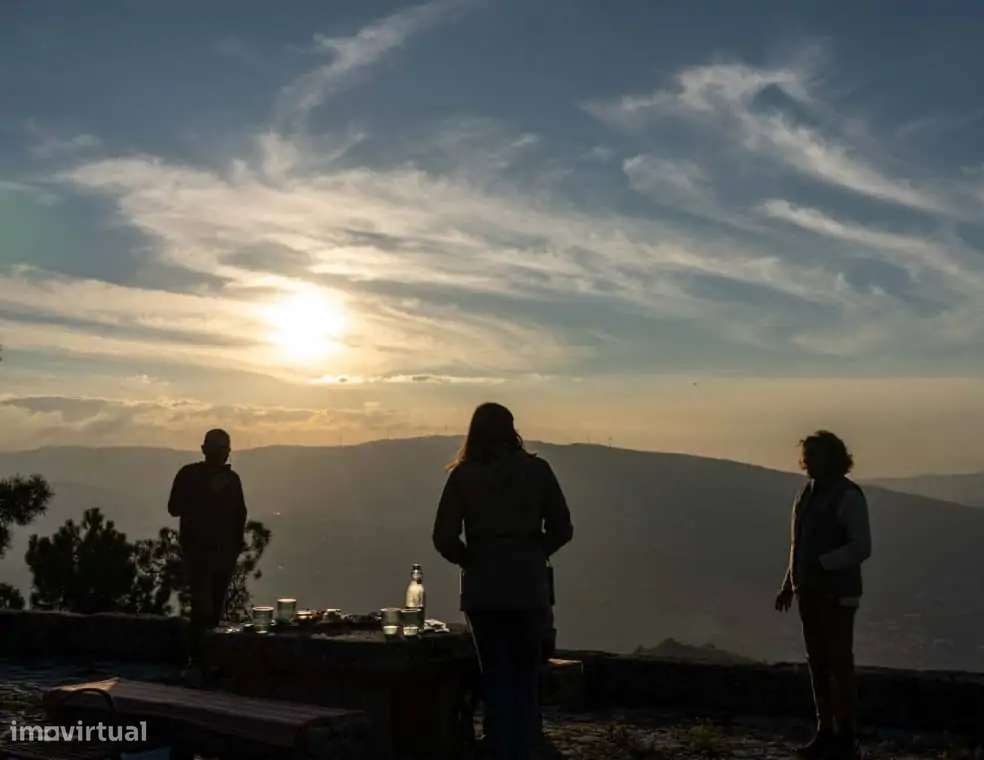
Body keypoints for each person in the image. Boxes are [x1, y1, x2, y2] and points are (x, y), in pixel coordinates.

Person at [433, 403, 573, 760]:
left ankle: (498, 742)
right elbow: (562, 529)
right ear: (512, 429)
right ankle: (527, 740)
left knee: (494, 669)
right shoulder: (538, 471)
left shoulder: (463, 476)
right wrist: (534, 552)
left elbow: (444, 537)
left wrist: (472, 560)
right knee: (526, 669)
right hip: (528, 583)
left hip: (484, 587)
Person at [775, 431, 872, 760]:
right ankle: (826, 731)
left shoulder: (848, 496)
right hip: (810, 592)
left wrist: (822, 565)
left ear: (833, 457)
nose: (808, 463)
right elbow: (797, 545)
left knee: (838, 665)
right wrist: (789, 584)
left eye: (814, 456)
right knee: (818, 663)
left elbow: (861, 547)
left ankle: (845, 736)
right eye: (807, 456)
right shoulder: (806, 494)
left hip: (837, 595)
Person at [168, 429, 247, 677]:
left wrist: (234, 548)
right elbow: (174, 508)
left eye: (225, 450)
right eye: (220, 449)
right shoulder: (190, 475)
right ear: (205, 450)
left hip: (222, 554)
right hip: (199, 554)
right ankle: (198, 662)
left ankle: (207, 662)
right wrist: (207, 490)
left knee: (213, 611)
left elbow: (240, 516)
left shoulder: (231, 480)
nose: (223, 454)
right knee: (203, 609)